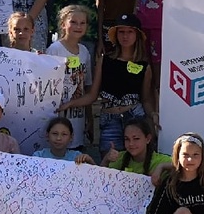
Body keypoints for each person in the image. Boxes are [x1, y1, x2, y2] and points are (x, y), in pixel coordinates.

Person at [61, 12, 155, 153]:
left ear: (137, 35)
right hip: (109, 118)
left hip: (135, 117)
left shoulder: (144, 65)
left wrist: (153, 115)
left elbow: (145, 99)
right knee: (109, 160)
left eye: (130, 32)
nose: (125, 36)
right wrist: (69, 104)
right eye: (121, 32)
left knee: (135, 161)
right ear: (116, 35)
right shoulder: (104, 60)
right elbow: (92, 95)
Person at [46, 4, 94, 149]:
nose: (78, 26)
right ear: (63, 24)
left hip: (78, 121)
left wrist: (90, 118)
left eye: (82, 23)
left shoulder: (84, 52)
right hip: (57, 119)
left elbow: (87, 87)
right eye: (73, 22)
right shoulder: (55, 50)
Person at [102, 117, 171, 185]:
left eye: (136, 139)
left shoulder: (160, 160)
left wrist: (161, 167)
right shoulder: (119, 158)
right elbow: (100, 178)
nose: (131, 143)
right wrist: (106, 160)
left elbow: (177, 166)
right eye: (127, 139)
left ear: (148, 139)